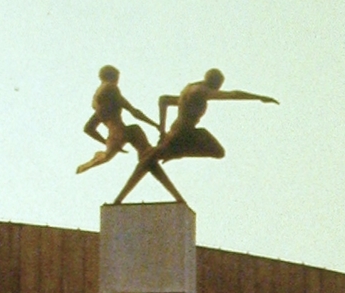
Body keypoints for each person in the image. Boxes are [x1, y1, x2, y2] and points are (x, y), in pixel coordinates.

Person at [112, 68, 278, 205]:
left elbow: (164, 100)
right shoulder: (202, 91)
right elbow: (233, 94)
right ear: (215, 83)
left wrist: (162, 131)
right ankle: (175, 154)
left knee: (149, 160)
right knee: (217, 151)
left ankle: (119, 199)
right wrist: (259, 98)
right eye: (218, 87)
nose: (217, 91)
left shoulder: (190, 89)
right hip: (184, 134)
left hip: (177, 132)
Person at [77, 66, 156, 174]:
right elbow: (134, 112)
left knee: (108, 156)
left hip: (114, 137)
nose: (118, 81)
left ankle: (95, 160)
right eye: (117, 77)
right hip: (121, 133)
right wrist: (156, 125)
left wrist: (108, 142)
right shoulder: (111, 88)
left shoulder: (98, 99)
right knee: (138, 136)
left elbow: (88, 128)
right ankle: (94, 161)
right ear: (113, 77)